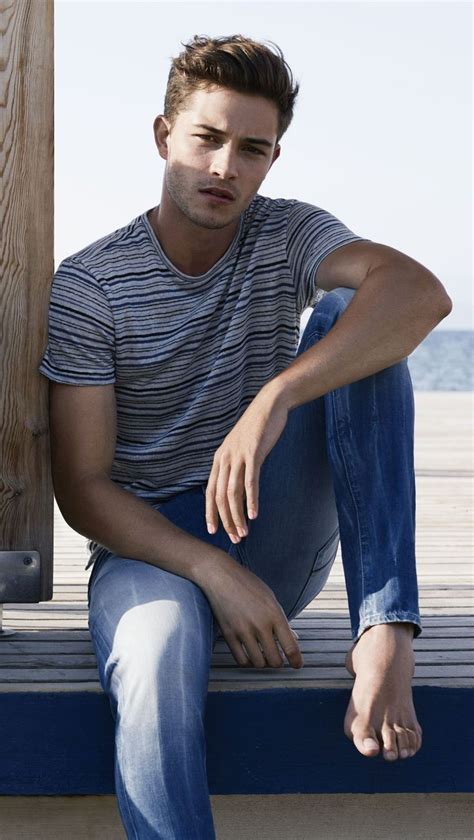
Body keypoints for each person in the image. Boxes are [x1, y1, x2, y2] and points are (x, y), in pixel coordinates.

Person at [38, 34, 452, 839]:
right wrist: (209, 572)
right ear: (165, 137)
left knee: (356, 318)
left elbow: (421, 295)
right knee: (154, 661)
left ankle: (386, 628)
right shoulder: (90, 285)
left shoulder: (288, 235)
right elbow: (83, 489)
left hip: (264, 524)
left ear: (272, 159)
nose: (226, 166)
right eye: (208, 138)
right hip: (151, 547)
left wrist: (274, 397)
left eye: (251, 149)